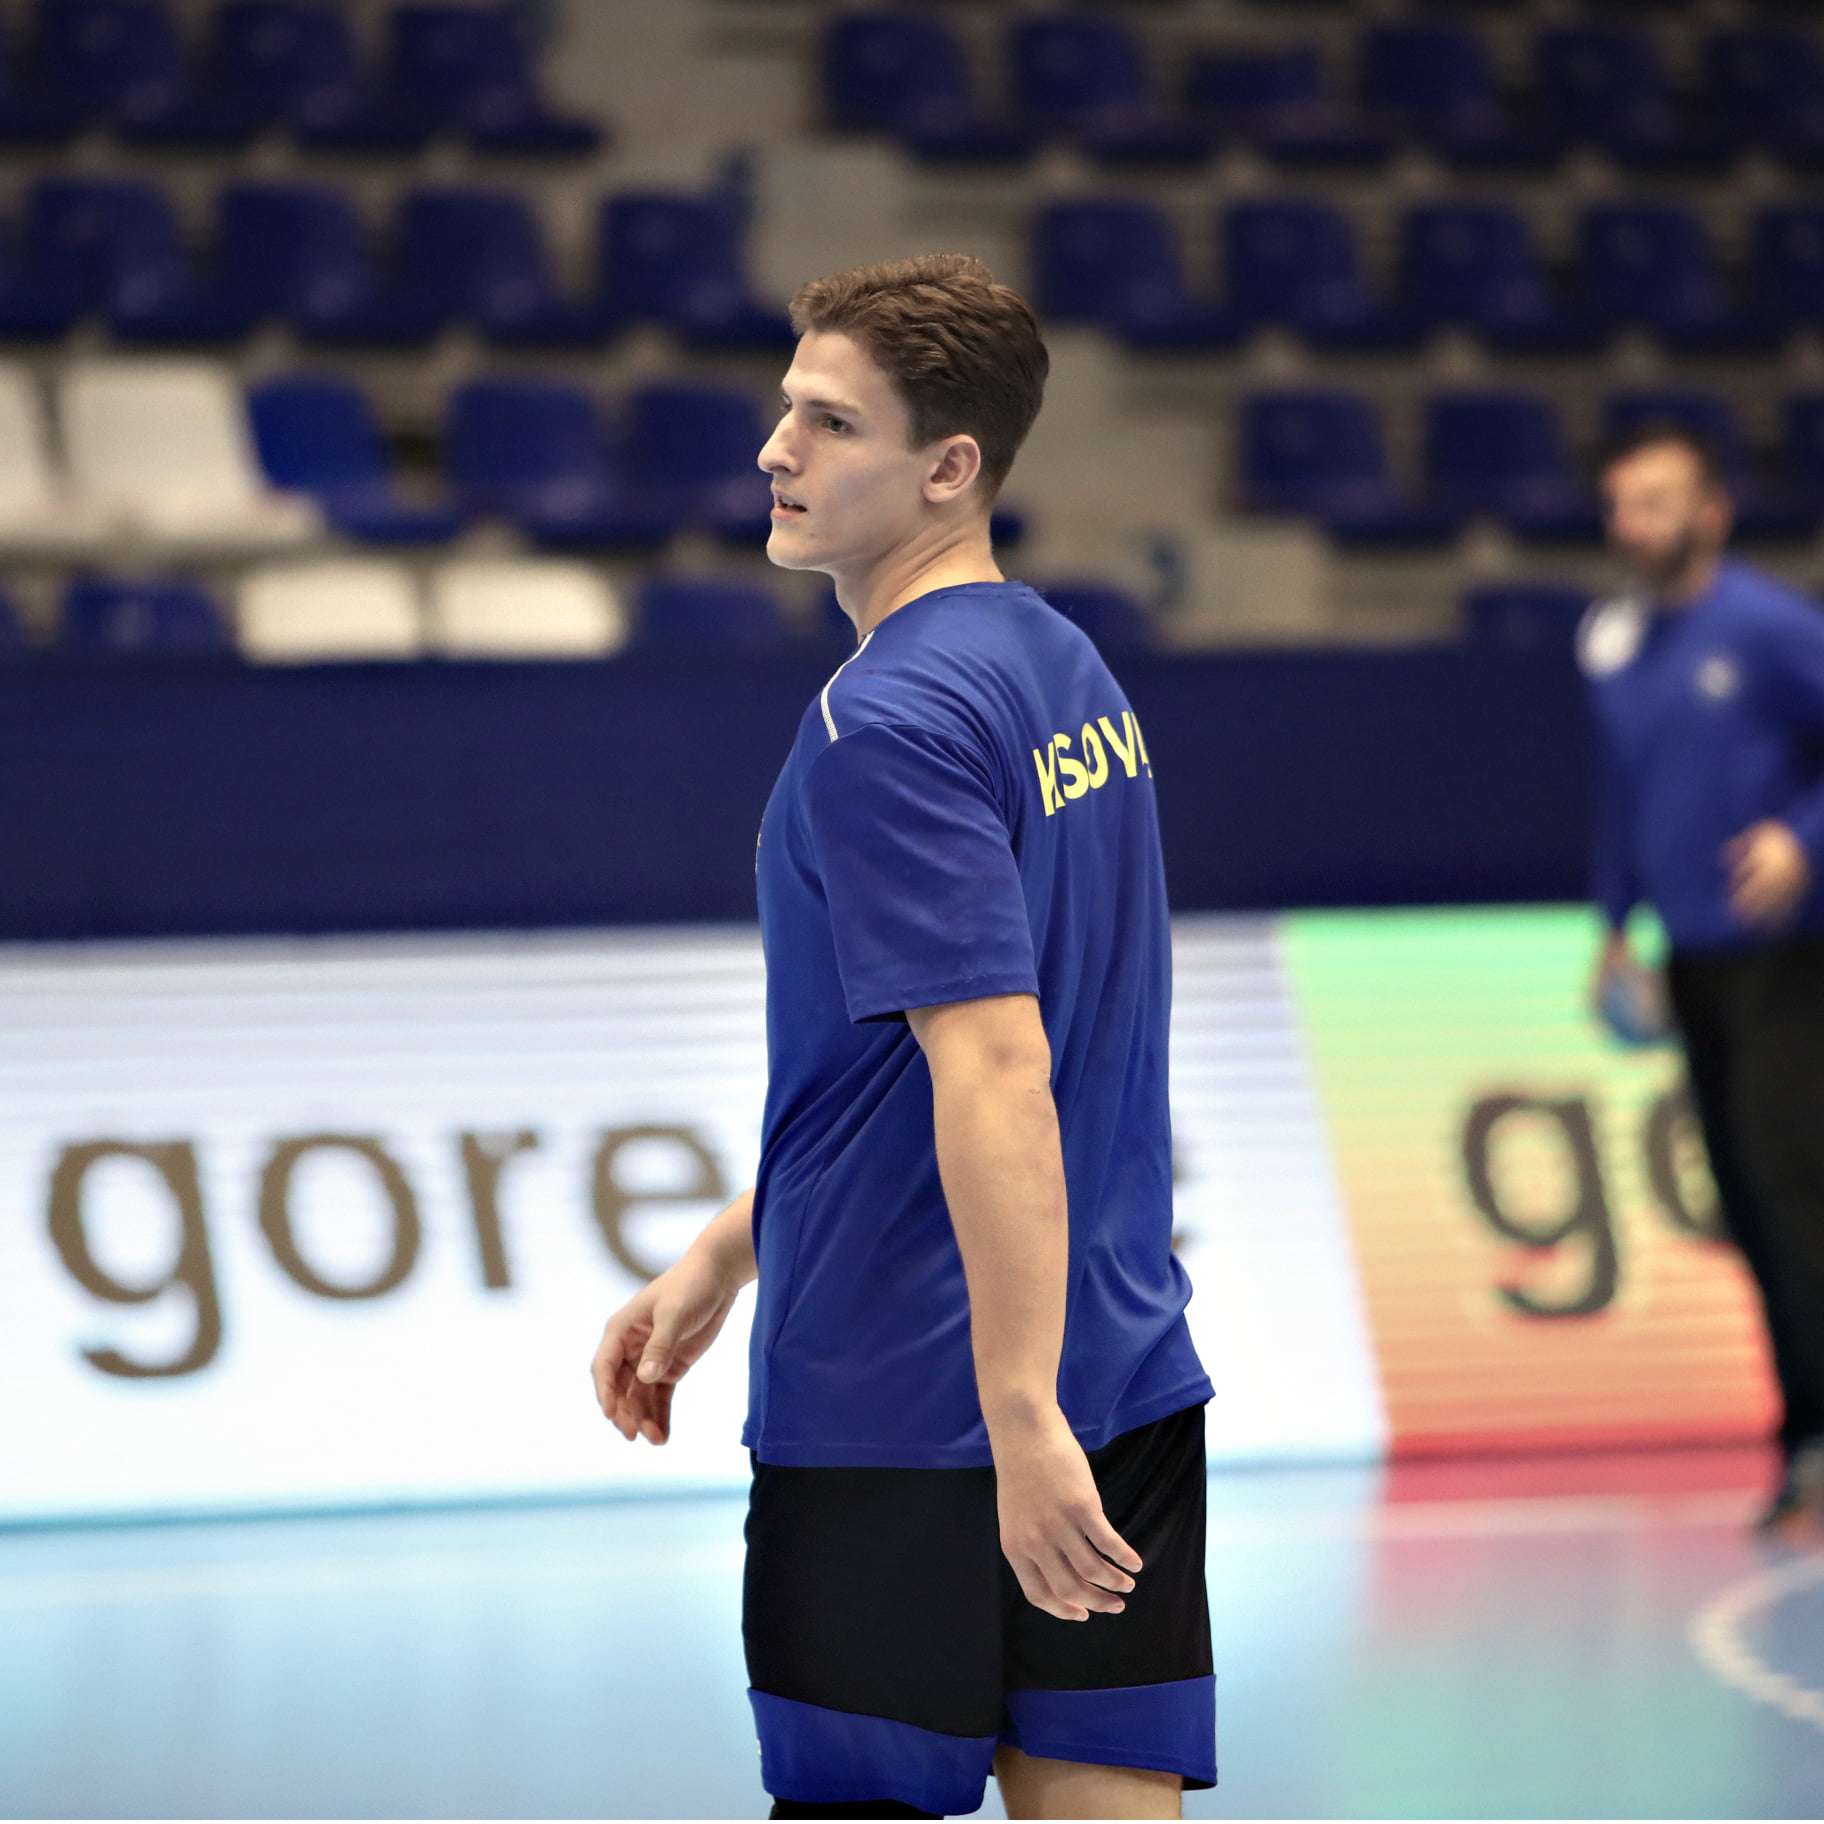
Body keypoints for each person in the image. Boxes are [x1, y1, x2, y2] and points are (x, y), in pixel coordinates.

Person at [590, 253, 1217, 1820]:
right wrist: (727, 1254)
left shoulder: (884, 725)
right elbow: (916, 1081)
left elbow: (995, 1069)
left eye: (830, 421)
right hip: (1120, 1373)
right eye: (786, 408)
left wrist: (1014, 1416)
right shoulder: (1064, 669)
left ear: (949, 467)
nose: (776, 450)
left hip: (905, 1413)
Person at [1582, 419, 1824, 1534]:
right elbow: (1624, 794)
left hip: (1788, 953)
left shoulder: (1770, 627)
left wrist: (1801, 843)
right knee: (1748, 1201)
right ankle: (1803, 1440)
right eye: (1623, 503)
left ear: (1712, 512)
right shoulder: (1616, 645)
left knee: (1795, 1185)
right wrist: (1614, 925)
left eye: (1659, 501)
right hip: (1693, 961)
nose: (1637, 523)